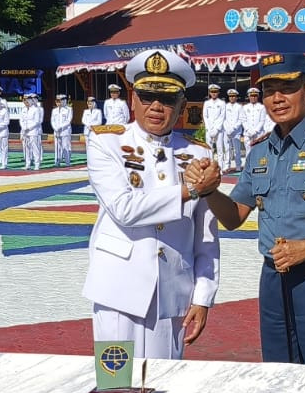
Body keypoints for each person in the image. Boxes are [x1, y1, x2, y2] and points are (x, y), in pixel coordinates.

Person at [193, 53, 305, 365]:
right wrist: (209, 191)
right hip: (273, 280)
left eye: (287, 88)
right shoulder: (260, 151)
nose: (277, 98)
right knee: (279, 376)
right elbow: (234, 216)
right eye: (269, 90)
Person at [82, 48, 219, 361]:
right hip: (118, 288)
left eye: (168, 99)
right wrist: (189, 191)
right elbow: (124, 208)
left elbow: (206, 237)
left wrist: (203, 296)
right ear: (133, 99)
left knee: (165, 387)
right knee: (115, 387)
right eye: (147, 96)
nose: (157, 106)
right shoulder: (106, 141)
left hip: (172, 292)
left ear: (181, 103)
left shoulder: (198, 153)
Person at [50, 93, 74, 167]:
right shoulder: (54, 110)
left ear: (64, 101)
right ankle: (57, 161)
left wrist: (60, 127)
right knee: (57, 147)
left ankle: (67, 162)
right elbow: (52, 120)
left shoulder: (69, 109)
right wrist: (55, 128)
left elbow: (68, 120)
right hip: (56, 131)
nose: (58, 103)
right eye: (57, 101)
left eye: (60, 101)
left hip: (65, 131)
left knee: (65, 147)